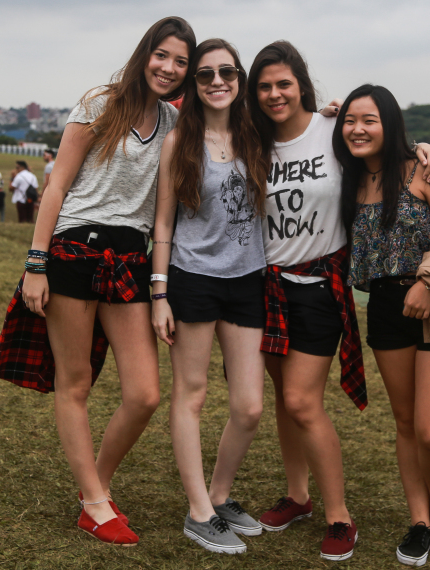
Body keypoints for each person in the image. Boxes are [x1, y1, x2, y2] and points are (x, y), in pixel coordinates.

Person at [0, 16, 196, 546]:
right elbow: (56, 187)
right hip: (72, 250)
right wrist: (35, 264)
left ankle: (94, 489)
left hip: (128, 256)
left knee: (145, 393)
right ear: (144, 53)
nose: (169, 68)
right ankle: (96, 502)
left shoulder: (175, 122)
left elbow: (235, 119)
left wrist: (327, 116)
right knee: (75, 382)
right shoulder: (99, 103)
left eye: (180, 61)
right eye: (162, 55)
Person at [247, 40, 430, 562]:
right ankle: (298, 496)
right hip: (267, 285)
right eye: (264, 86)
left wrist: (425, 149)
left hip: (319, 283)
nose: (275, 94)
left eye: (284, 84)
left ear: (302, 86)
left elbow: (380, 139)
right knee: (283, 398)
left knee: (300, 400)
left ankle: (339, 515)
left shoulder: (330, 131)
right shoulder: (253, 141)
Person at [335, 84, 430, 565]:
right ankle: (419, 520)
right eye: (351, 121)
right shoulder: (351, 176)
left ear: (390, 124)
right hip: (383, 308)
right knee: (404, 423)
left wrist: (427, 280)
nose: (358, 129)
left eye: (370, 120)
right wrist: (331, 112)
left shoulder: (424, 170)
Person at [151, 38, 270, 555]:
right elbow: (162, 222)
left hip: (249, 278)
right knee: (192, 394)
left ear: (239, 78)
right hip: (192, 276)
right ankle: (198, 511)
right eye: (205, 75)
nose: (217, 81)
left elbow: (312, 126)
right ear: (193, 85)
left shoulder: (256, 134)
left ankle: (219, 496)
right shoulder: (180, 141)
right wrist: (159, 293)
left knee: (249, 407)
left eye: (226, 72)